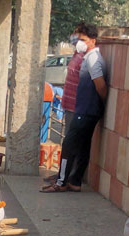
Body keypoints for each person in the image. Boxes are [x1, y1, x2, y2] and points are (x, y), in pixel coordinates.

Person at [42, 23, 107, 194]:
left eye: (83, 39)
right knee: (83, 146)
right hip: (86, 110)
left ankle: (61, 182)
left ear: (93, 40)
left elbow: (100, 86)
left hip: (86, 110)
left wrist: (99, 102)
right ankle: (75, 181)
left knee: (69, 145)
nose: (79, 42)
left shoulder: (93, 59)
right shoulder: (88, 57)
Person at [44, 25, 84, 184]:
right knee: (67, 142)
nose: (74, 37)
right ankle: (62, 173)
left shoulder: (87, 57)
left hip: (77, 107)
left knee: (71, 144)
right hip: (68, 105)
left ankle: (67, 177)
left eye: (78, 35)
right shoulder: (76, 54)